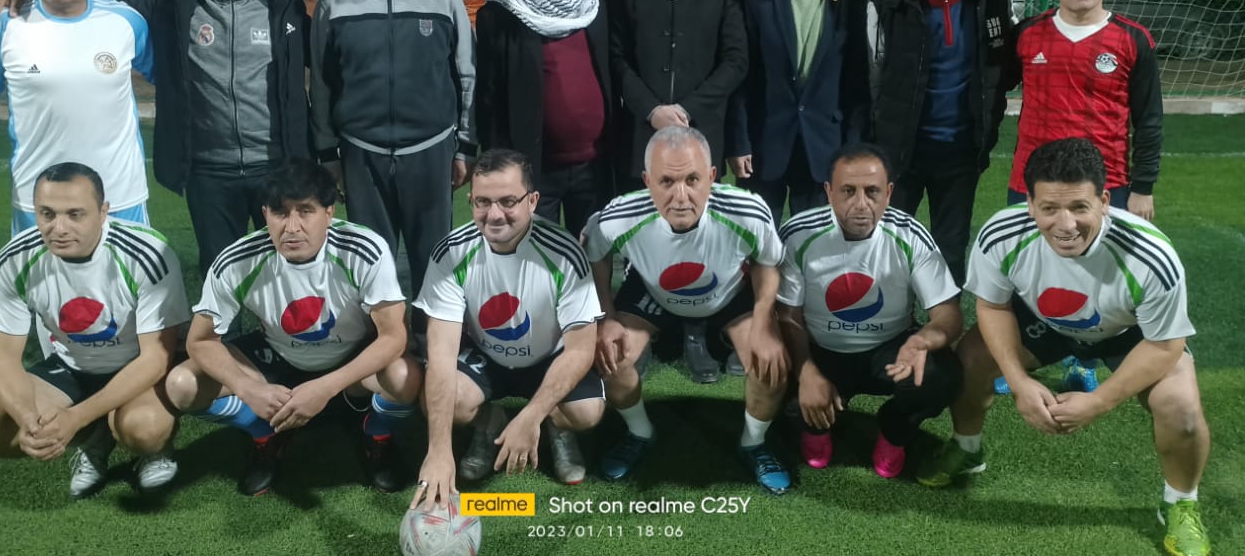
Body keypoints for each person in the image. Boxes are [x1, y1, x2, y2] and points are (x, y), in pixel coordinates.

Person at [916, 138, 1211, 556]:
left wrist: (1099, 402)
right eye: (1050, 208)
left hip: (1131, 333)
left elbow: (1166, 344)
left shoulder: (1150, 255)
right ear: (1030, 204)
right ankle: (966, 449)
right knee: (971, 358)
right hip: (1047, 322)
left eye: (1078, 207)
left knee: (1180, 407)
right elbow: (993, 307)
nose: (1066, 224)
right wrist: (1018, 381)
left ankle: (1180, 503)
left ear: (1104, 202)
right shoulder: (1002, 234)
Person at [0, 0, 313, 277]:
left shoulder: (284, 6)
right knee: (221, 272)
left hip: (277, 164)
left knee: (292, 266)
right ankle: (220, 316)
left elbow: (324, 66)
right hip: (209, 171)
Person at [163, 159, 421, 495]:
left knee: (404, 377)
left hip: (351, 362)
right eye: (280, 213)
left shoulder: (363, 249)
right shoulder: (238, 260)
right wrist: (248, 389)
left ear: (329, 212)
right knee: (182, 385)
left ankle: (377, 433)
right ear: (265, 214)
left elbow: (394, 335)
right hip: (278, 356)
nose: (292, 227)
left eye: (305, 211)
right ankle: (265, 433)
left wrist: (326, 387)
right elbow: (200, 341)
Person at [582, 126, 792, 494]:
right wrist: (607, 317)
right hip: (654, 292)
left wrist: (763, 321)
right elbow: (595, 255)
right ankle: (640, 432)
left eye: (692, 180)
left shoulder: (748, 210)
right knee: (609, 357)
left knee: (771, 364)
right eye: (666, 181)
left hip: (728, 293)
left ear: (711, 177)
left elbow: (768, 262)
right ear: (647, 182)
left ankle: (753, 442)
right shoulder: (619, 215)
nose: (681, 196)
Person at [0, 162, 188, 498]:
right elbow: (1, 359)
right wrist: (29, 420)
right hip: (70, 367)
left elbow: (156, 359)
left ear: (103, 212)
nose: (59, 228)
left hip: (137, 367)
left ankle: (153, 450)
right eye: (47, 214)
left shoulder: (146, 253)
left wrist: (76, 418)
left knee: (142, 428)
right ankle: (95, 439)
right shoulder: (15, 259)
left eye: (75, 214)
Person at [412, 149, 603, 509]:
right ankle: (490, 422)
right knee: (444, 400)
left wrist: (531, 416)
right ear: (470, 200)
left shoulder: (564, 253)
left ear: (532, 201)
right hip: (487, 356)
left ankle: (555, 426)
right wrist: (438, 450)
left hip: (549, 356)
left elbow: (580, 349)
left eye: (508, 201)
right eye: (483, 202)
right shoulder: (451, 252)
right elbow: (441, 353)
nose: (495, 214)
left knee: (587, 412)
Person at [311, 0, 478, 304]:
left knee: (435, 264)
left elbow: (467, 76)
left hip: (431, 150)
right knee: (371, 266)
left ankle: (430, 336)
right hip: (361, 154)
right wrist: (328, 152)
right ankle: (382, 342)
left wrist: (465, 146)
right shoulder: (334, 3)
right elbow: (322, 83)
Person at [776, 142, 963, 479]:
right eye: (848, 191)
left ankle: (895, 429)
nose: (861, 204)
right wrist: (807, 372)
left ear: (888, 193)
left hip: (889, 351)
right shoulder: (799, 234)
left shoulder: (909, 235)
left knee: (942, 376)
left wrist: (922, 340)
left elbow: (948, 314)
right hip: (820, 349)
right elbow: (788, 316)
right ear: (829, 192)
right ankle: (815, 425)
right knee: (771, 370)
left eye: (872, 191)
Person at [866, 0, 1016, 285]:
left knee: (950, 248)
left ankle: (943, 320)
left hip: (962, 152)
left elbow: (1002, 67)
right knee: (890, 245)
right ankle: (895, 318)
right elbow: (872, 72)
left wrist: (988, 124)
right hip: (900, 152)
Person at [0, 0, 152, 232]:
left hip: (120, 193)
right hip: (38, 200)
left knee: (128, 266)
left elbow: (169, 81)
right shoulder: (4, 25)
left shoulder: (126, 21)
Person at [728, 0, 871, 228]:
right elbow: (741, 75)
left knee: (816, 249)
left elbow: (857, 80)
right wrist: (739, 141)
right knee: (758, 246)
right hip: (764, 148)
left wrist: (853, 149)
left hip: (825, 149)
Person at [475, 0, 615, 239]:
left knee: (594, 255)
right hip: (533, 171)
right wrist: (500, 167)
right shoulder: (500, 16)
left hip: (595, 168)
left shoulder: (602, 7)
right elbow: (489, 101)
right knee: (536, 259)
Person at [1009, 0, 1161, 219]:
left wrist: (1143, 187)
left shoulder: (1134, 39)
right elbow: (992, 89)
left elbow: (1149, 120)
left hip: (1105, 185)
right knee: (1028, 251)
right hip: (1031, 183)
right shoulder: (1027, 34)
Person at [609, 0, 747, 183]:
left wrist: (686, 110)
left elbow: (736, 61)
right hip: (638, 139)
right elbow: (615, 59)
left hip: (703, 136)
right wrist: (652, 111)